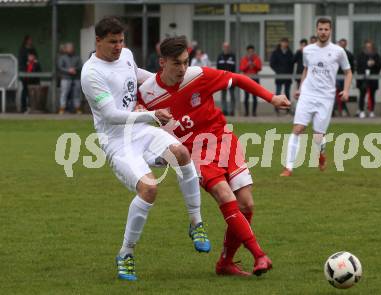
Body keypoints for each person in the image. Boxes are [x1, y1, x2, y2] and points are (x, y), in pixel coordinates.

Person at [137, 35, 291, 277]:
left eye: (186, 61)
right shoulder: (146, 94)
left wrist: (271, 98)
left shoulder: (198, 76)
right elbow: (131, 120)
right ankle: (259, 255)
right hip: (195, 152)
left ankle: (226, 263)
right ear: (162, 62)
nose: (183, 68)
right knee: (223, 193)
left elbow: (238, 79)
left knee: (247, 204)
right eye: (177, 63)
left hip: (223, 139)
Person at [80, 17, 210, 282]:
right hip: (117, 140)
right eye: (112, 42)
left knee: (183, 154)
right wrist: (151, 114)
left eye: (121, 41)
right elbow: (111, 115)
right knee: (149, 189)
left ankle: (196, 223)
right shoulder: (91, 73)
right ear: (98, 41)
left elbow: (136, 75)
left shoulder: (126, 55)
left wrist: (164, 84)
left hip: (140, 129)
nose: (118, 47)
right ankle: (126, 254)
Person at [280, 18, 352, 177]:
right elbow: (306, 69)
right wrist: (300, 88)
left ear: (330, 31)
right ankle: (288, 167)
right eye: (320, 29)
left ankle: (321, 155)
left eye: (326, 29)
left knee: (318, 136)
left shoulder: (339, 51)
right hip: (307, 94)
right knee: (298, 129)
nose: (323, 32)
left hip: (326, 97)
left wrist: (346, 90)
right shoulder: (307, 50)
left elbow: (348, 72)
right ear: (316, 30)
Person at [356, 40, 381, 118]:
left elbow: (379, 66)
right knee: (362, 95)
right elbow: (358, 67)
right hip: (362, 79)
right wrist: (366, 65)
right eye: (367, 47)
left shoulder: (376, 55)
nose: (369, 48)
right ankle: (361, 110)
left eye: (370, 47)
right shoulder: (361, 55)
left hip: (373, 79)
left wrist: (374, 64)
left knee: (372, 95)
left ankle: (371, 110)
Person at [270, 37, 295, 115]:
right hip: (279, 75)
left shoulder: (290, 53)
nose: (284, 44)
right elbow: (272, 63)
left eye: (286, 42)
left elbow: (292, 64)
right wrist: (278, 70)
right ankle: (277, 108)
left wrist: (290, 72)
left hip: (287, 76)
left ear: (287, 44)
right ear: (280, 43)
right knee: (278, 92)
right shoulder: (276, 52)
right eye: (283, 42)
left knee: (287, 92)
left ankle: (287, 109)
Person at [58, 42, 82, 114]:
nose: (70, 49)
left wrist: (75, 69)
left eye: (71, 48)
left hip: (76, 78)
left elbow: (81, 66)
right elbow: (60, 67)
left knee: (76, 94)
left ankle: (77, 108)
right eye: (69, 48)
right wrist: (68, 70)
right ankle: (62, 108)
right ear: (66, 49)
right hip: (65, 78)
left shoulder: (77, 57)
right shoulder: (62, 57)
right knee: (64, 93)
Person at [239, 45, 262, 116]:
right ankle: (246, 112)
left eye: (252, 52)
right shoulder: (244, 59)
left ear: (253, 52)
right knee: (246, 96)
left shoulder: (257, 58)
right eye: (249, 52)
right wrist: (247, 65)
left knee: (255, 96)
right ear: (247, 52)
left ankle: (254, 112)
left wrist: (254, 65)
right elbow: (241, 68)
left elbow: (259, 68)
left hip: (255, 78)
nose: (251, 53)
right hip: (246, 79)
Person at [18, 35, 38, 113]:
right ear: (26, 40)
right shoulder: (22, 50)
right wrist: (27, 62)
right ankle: (23, 107)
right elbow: (21, 62)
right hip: (25, 73)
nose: (31, 41)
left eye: (31, 40)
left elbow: (36, 59)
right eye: (29, 40)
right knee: (25, 90)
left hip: (33, 73)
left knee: (33, 91)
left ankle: (32, 107)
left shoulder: (33, 50)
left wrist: (34, 61)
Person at [335, 38, 354, 117]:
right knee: (335, 94)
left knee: (343, 94)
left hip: (344, 76)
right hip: (336, 76)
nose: (342, 45)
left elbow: (351, 67)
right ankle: (336, 110)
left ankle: (342, 109)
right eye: (341, 44)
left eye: (344, 44)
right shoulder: (335, 53)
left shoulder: (349, 54)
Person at [216, 42, 236, 116]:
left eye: (227, 47)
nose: (226, 48)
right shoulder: (220, 56)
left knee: (232, 95)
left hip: (231, 79)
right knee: (223, 95)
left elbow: (235, 68)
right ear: (223, 48)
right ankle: (224, 110)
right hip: (222, 79)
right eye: (225, 47)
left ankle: (232, 111)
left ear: (229, 48)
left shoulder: (233, 56)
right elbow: (217, 69)